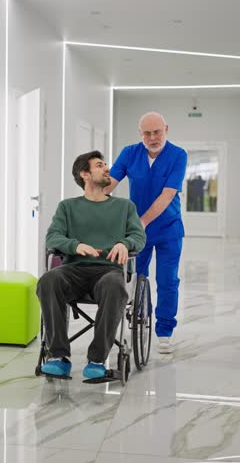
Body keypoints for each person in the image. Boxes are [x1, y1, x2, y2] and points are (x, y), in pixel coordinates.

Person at [36, 151, 146, 379]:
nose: (107, 168)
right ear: (84, 174)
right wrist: (74, 245)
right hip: (74, 270)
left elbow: (139, 236)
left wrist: (125, 243)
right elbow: (52, 238)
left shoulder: (125, 207)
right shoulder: (68, 207)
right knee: (48, 280)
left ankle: (97, 360)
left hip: (109, 271)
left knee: (115, 287)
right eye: (99, 165)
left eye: (106, 164)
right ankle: (58, 357)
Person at [104, 112, 187, 353]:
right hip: (136, 231)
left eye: (157, 132)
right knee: (135, 277)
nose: (152, 138)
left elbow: (167, 194)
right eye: (147, 133)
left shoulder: (178, 155)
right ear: (140, 134)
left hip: (168, 229)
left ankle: (164, 331)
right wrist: (93, 197)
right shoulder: (129, 153)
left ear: (166, 129)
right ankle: (140, 317)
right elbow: (111, 183)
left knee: (167, 280)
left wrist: (141, 221)